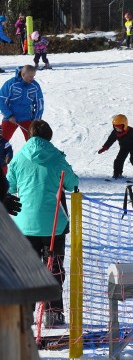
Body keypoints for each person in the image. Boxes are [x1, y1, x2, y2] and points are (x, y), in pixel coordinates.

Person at [7, 120, 79, 327]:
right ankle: (53, 312)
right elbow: (72, 183)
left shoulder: (19, 157)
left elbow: (9, 187)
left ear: (29, 136)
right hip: (53, 224)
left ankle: (26, 312)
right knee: (54, 268)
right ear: (49, 136)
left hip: (24, 223)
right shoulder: (57, 157)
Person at [0, 65, 44, 141]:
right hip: (11, 118)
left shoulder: (35, 86)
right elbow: (1, 100)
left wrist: (36, 119)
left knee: (33, 141)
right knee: (2, 140)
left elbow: (39, 103)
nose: (32, 78)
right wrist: (9, 115)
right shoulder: (11, 84)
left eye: (33, 76)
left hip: (27, 118)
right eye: (30, 76)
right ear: (23, 75)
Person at [97, 114, 133, 180]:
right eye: (115, 127)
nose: (117, 129)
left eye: (119, 127)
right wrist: (104, 147)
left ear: (124, 125)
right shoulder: (115, 132)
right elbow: (110, 140)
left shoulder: (132, 131)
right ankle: (117, 174)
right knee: (118, 160)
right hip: (124, 148)